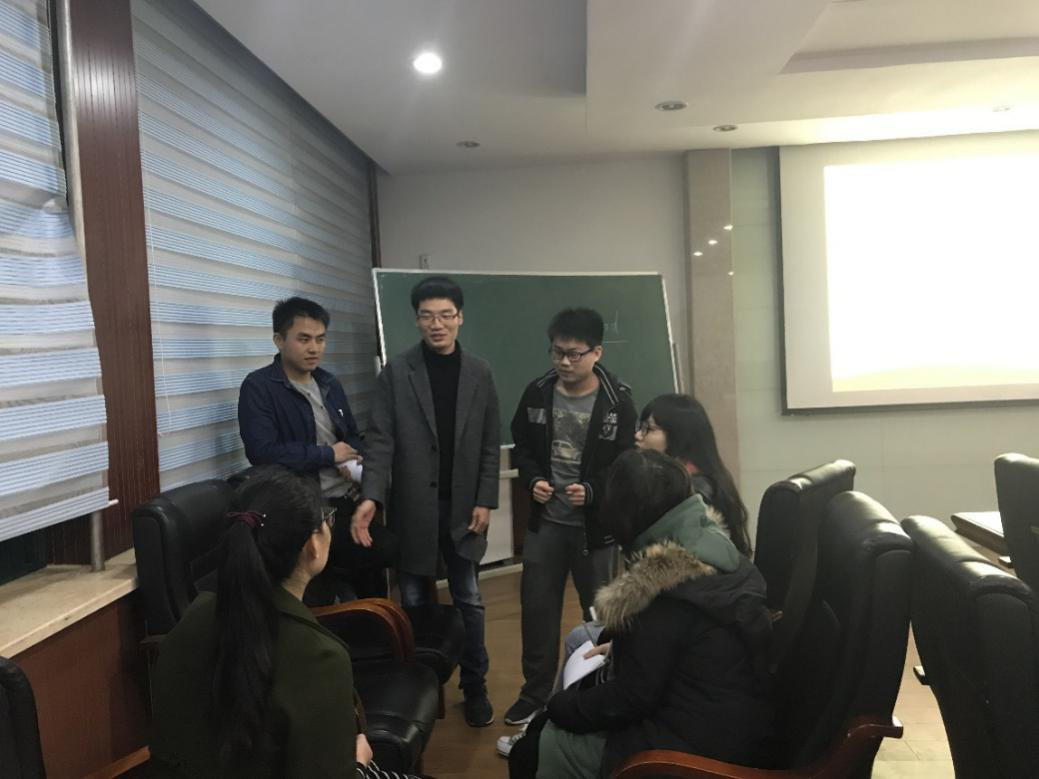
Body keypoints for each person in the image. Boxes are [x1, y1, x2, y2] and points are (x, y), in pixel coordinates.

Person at [510, 449, 773, 779]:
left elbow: (630, 697)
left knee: (533, 749)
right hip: (728, 719)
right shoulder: (713, 546)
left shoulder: (663, 590)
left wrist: (558, 706)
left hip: (689, 748)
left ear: (623, 517)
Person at [150, 465, 419, 778]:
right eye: (327, 518)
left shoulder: (193, 618)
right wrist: (359, 764)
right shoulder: (319, 657)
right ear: (312, 546)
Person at [351, 275, 501, 727]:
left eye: (445, 315)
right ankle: (424, 687)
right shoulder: (397, 374)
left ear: (460, 318)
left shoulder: (480, 372)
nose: (437, 324)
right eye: (427, 316)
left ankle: (475, 685)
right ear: (416, 320)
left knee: (469, 599)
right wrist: (371, 496)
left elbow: (490, 443)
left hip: (464, 509)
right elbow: (380, 441)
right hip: (414, 508)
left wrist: (485, 500)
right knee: (415, 600)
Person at [505, 308, 637, 727]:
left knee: (600, 614)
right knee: (537, 612)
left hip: (595, 530)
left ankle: (597, 692)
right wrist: (533, 480)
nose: (564, 361)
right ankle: (534, 695)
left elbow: (625, 462)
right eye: (557, 352)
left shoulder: (618, 400)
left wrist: (594, 491)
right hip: (546, 524)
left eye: (574, 354)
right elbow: (522, 447)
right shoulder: (537, 391)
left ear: (596, 352)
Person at [238, 297, 384, 603]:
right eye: (304, 339)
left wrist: (354, 458)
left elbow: (351, 435)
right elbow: (262, 452)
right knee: (353, 570)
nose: (314, 348)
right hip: (307, 509)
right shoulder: (259, 387)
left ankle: (373, 622)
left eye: (320, 339)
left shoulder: (328, 382)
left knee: (382, 560)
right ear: (279, 340)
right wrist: (328, 455)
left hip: (349, 496)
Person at [635, 393, 752, 556]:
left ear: (678, 435)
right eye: (640, 427)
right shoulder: (696, 478)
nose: (638, 435)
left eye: (649, 429)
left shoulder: (695, 493)